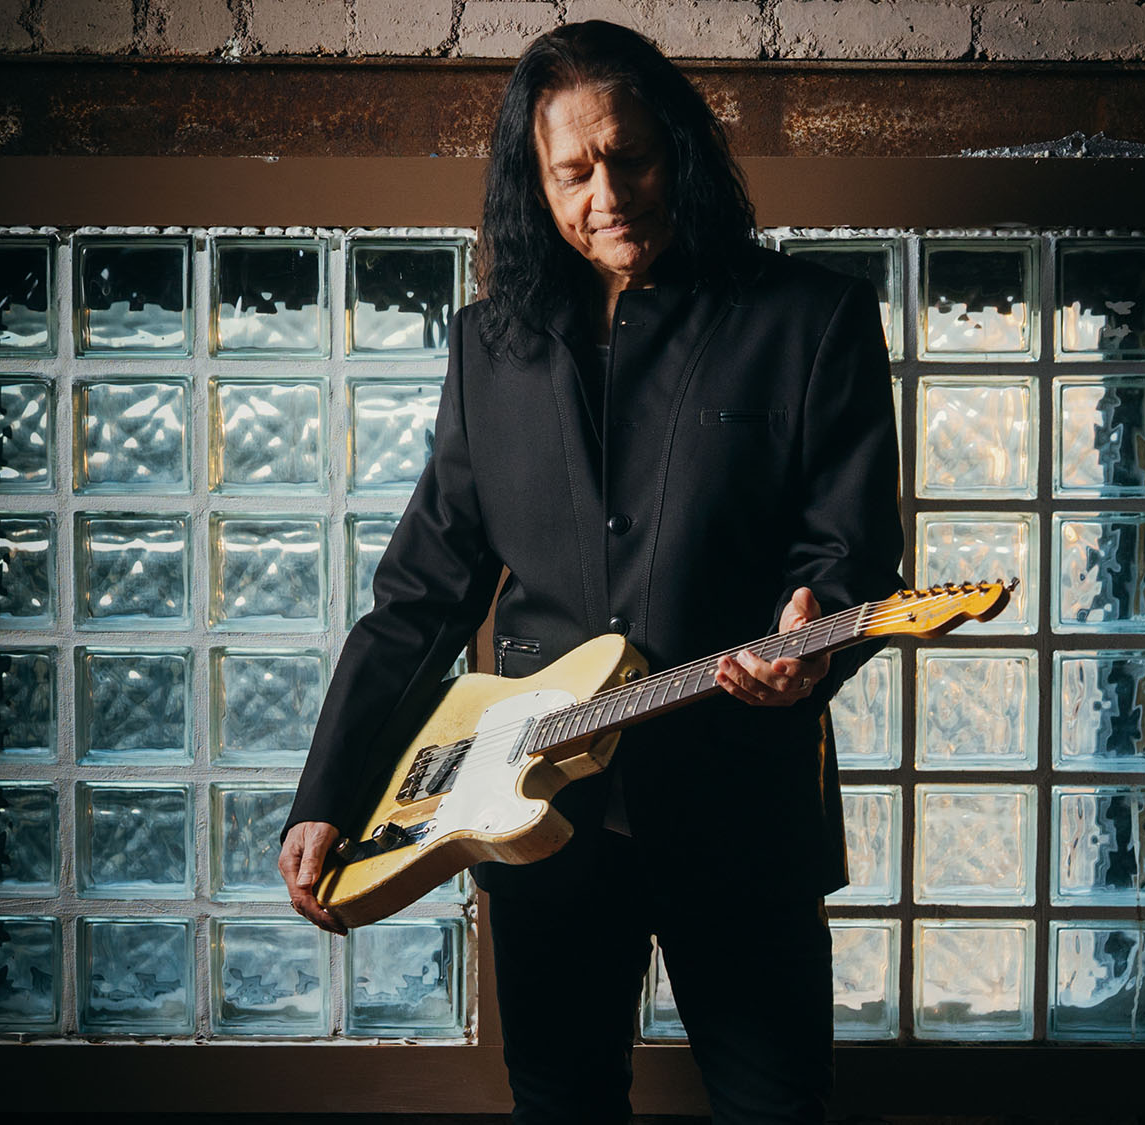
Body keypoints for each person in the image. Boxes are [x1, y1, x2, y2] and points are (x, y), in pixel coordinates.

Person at [277, 20, 902, 1124]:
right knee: (560, 1106)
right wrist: (329, 793)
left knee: (780, 1109)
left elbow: (848, 551)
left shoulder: (814, 319)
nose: (606, 192)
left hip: (741, 807)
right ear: (536, 184)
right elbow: (423, 593)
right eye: (572, 171)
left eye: (632, 158)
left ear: (683, 154)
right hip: (536, 821)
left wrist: (817, 635)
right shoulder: (489, 348)